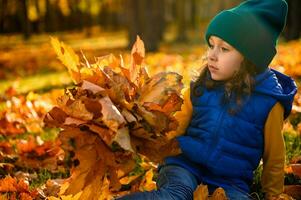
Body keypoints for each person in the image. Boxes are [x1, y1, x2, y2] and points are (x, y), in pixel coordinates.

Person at [118, 0, 297, 199]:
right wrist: (147, 142)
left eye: (224, 49)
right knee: (174, 196)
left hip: (231, 182)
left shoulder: (270, 102)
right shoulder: (200, 87)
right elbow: (174, 129)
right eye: (211, 46)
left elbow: (274, 158)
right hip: (184, 166)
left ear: (249, 57)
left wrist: (273, 195)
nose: (212, 55)